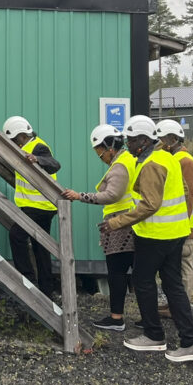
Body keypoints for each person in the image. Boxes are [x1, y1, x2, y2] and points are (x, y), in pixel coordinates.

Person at [104, 115, 193, 362]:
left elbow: (149, 205)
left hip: (155, 235)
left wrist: (116, 223)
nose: (127, 144)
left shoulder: (151, 163)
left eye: (131, 139)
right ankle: (191, 341)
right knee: (173, 285)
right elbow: (181, 191)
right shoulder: (165, 158)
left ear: (143, 140)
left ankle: (153, 335)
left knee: (143, 281)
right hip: (174, 234)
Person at [61, 124, 137, 331]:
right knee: (137, 273)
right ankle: (144, 318)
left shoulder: (121, 165)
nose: (100, 156)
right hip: (131, 224)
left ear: (110, 146)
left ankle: (116, 318)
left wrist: (81, 196)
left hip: (121, 225)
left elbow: (113, 195)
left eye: (99, 151)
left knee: (117, 272)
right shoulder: (129, 160)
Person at [3, 116, 62, 299]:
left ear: (21, 136)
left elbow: (54, 164)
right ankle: (46, 289)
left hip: (39, 205)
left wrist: (36, 159)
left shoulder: (38, 147)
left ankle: (27, 279)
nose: (13, 144)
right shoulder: (27, 147)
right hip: (38, 205)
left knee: (16, 235)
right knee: (40, 247)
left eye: (13, 140)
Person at [155, 119, 193, 306]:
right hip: (176, 225)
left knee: (184, 267)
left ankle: (182, 306)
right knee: (173, 269)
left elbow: (189, 196)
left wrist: (182, 225)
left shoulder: (185, 161)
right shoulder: (174, 159)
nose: (158, 143)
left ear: (172, 139)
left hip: (185, 227)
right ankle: (174, 305)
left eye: (161, 139)